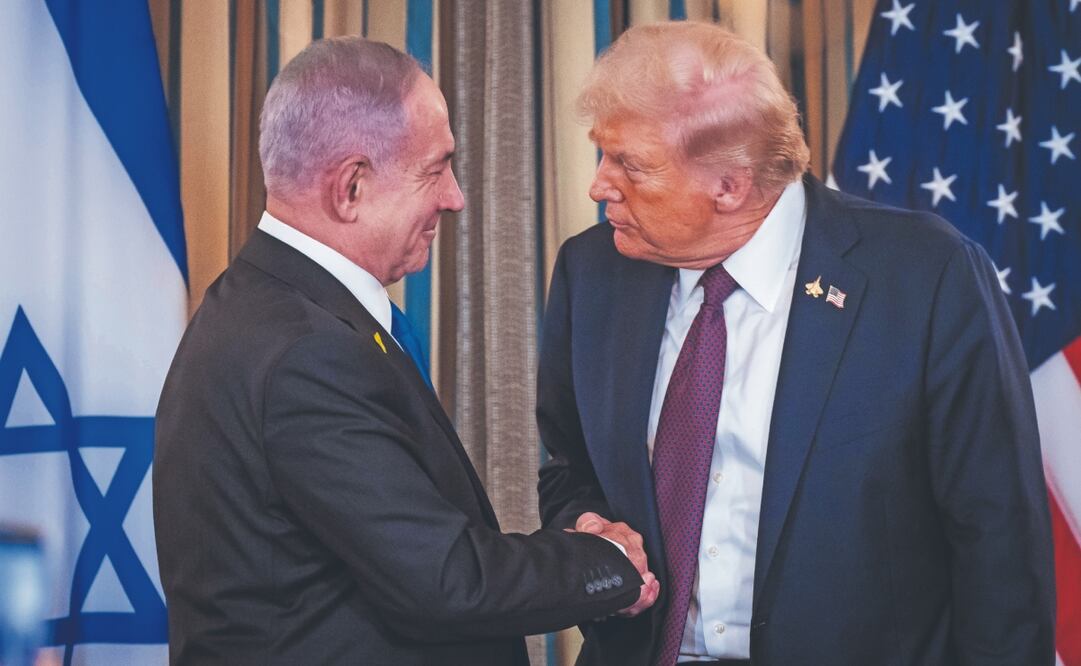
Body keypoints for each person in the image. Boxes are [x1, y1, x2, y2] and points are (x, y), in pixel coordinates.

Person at [536, 21, 1055, 666]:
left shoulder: (926, 277)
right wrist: (588, 529)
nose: (599, 184)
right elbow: (568, 472)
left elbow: (998, 541)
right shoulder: (593, 272)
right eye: (602, 154)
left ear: (729, 184)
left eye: (631, 164)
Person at [153, 37, 659, 665]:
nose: (455, 196)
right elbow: (448, 579)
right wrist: (609, 562)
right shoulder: (304, 352)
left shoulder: (270, 309)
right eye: (434, 169)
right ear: (351, 189)